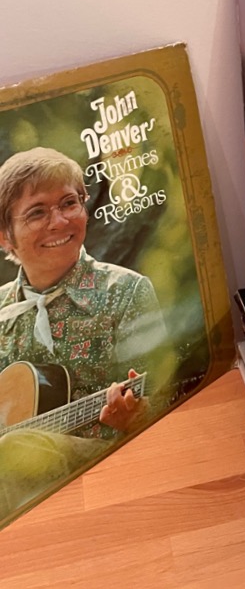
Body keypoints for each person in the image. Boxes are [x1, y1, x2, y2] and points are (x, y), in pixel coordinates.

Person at [0, 146, 167, 519]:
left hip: (109, 469)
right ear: (4, 236)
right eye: (37, 212)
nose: (59, 221)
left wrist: (137, 414)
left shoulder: (127, 291)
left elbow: (165, 400)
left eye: (69, 203)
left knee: (15, 449)